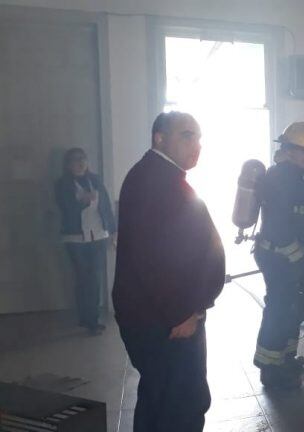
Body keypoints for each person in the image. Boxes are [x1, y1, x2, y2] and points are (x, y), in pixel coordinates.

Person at [112, 111, 225, 432]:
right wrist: (181, 313)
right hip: (167, 320)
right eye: (187, 135)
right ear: (159, 138)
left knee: (159, 398)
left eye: (199, 137)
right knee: (181, 404)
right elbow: (154, 259)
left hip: (162, 316)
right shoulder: (156, 182)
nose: (197, 145)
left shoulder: (162, 177)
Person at [252, 121, 304, 389]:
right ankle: (270, 368)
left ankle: (285, 358)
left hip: (289, 255)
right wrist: (296, 257)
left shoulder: (289, 176)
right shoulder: (283, 178)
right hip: (282, 257)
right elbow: (280, 225)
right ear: (290, 150)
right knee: (280, 310)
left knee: (293, 307)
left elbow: (296, 220)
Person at [55, 147, 116, 335]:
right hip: (75, 238)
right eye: (75, 160)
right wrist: (81, 201)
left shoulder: (95, 180)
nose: (80, 163)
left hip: (98, 234)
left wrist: (113, 230)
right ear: (68, 164)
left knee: (95, 277)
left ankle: (93, 319)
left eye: (83, 159)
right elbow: (64, 207)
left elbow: (105, 205)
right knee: (83, 278)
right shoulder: (62, 184)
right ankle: (85, 317)